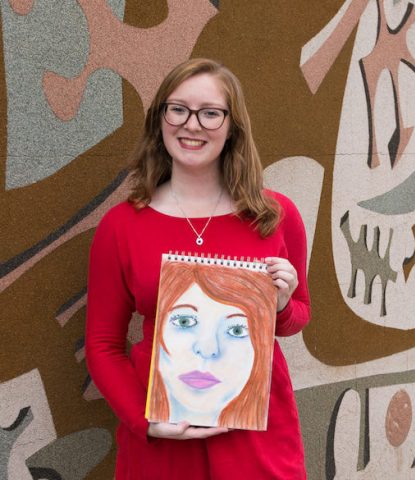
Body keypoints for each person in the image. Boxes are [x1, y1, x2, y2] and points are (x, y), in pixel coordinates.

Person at [85, 58, 310, 479]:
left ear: (232, 126)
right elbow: (102, 344)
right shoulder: (122, 226)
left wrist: (280, 303)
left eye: (210, 113)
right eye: (179, 109)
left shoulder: (275, 216)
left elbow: (298, 316)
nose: (192, 125)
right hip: (164, 435)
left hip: (256, 432)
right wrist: (145, 421)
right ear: (161, 119)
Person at [147, 259, 277, 431]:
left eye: (237, 330)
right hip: (155, 443)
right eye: (184, 321)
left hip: (256, 441)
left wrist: (283, 302)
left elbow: (298, 315)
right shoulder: (121, 233)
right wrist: (139, 419)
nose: (208, 350)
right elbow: (104, 340)